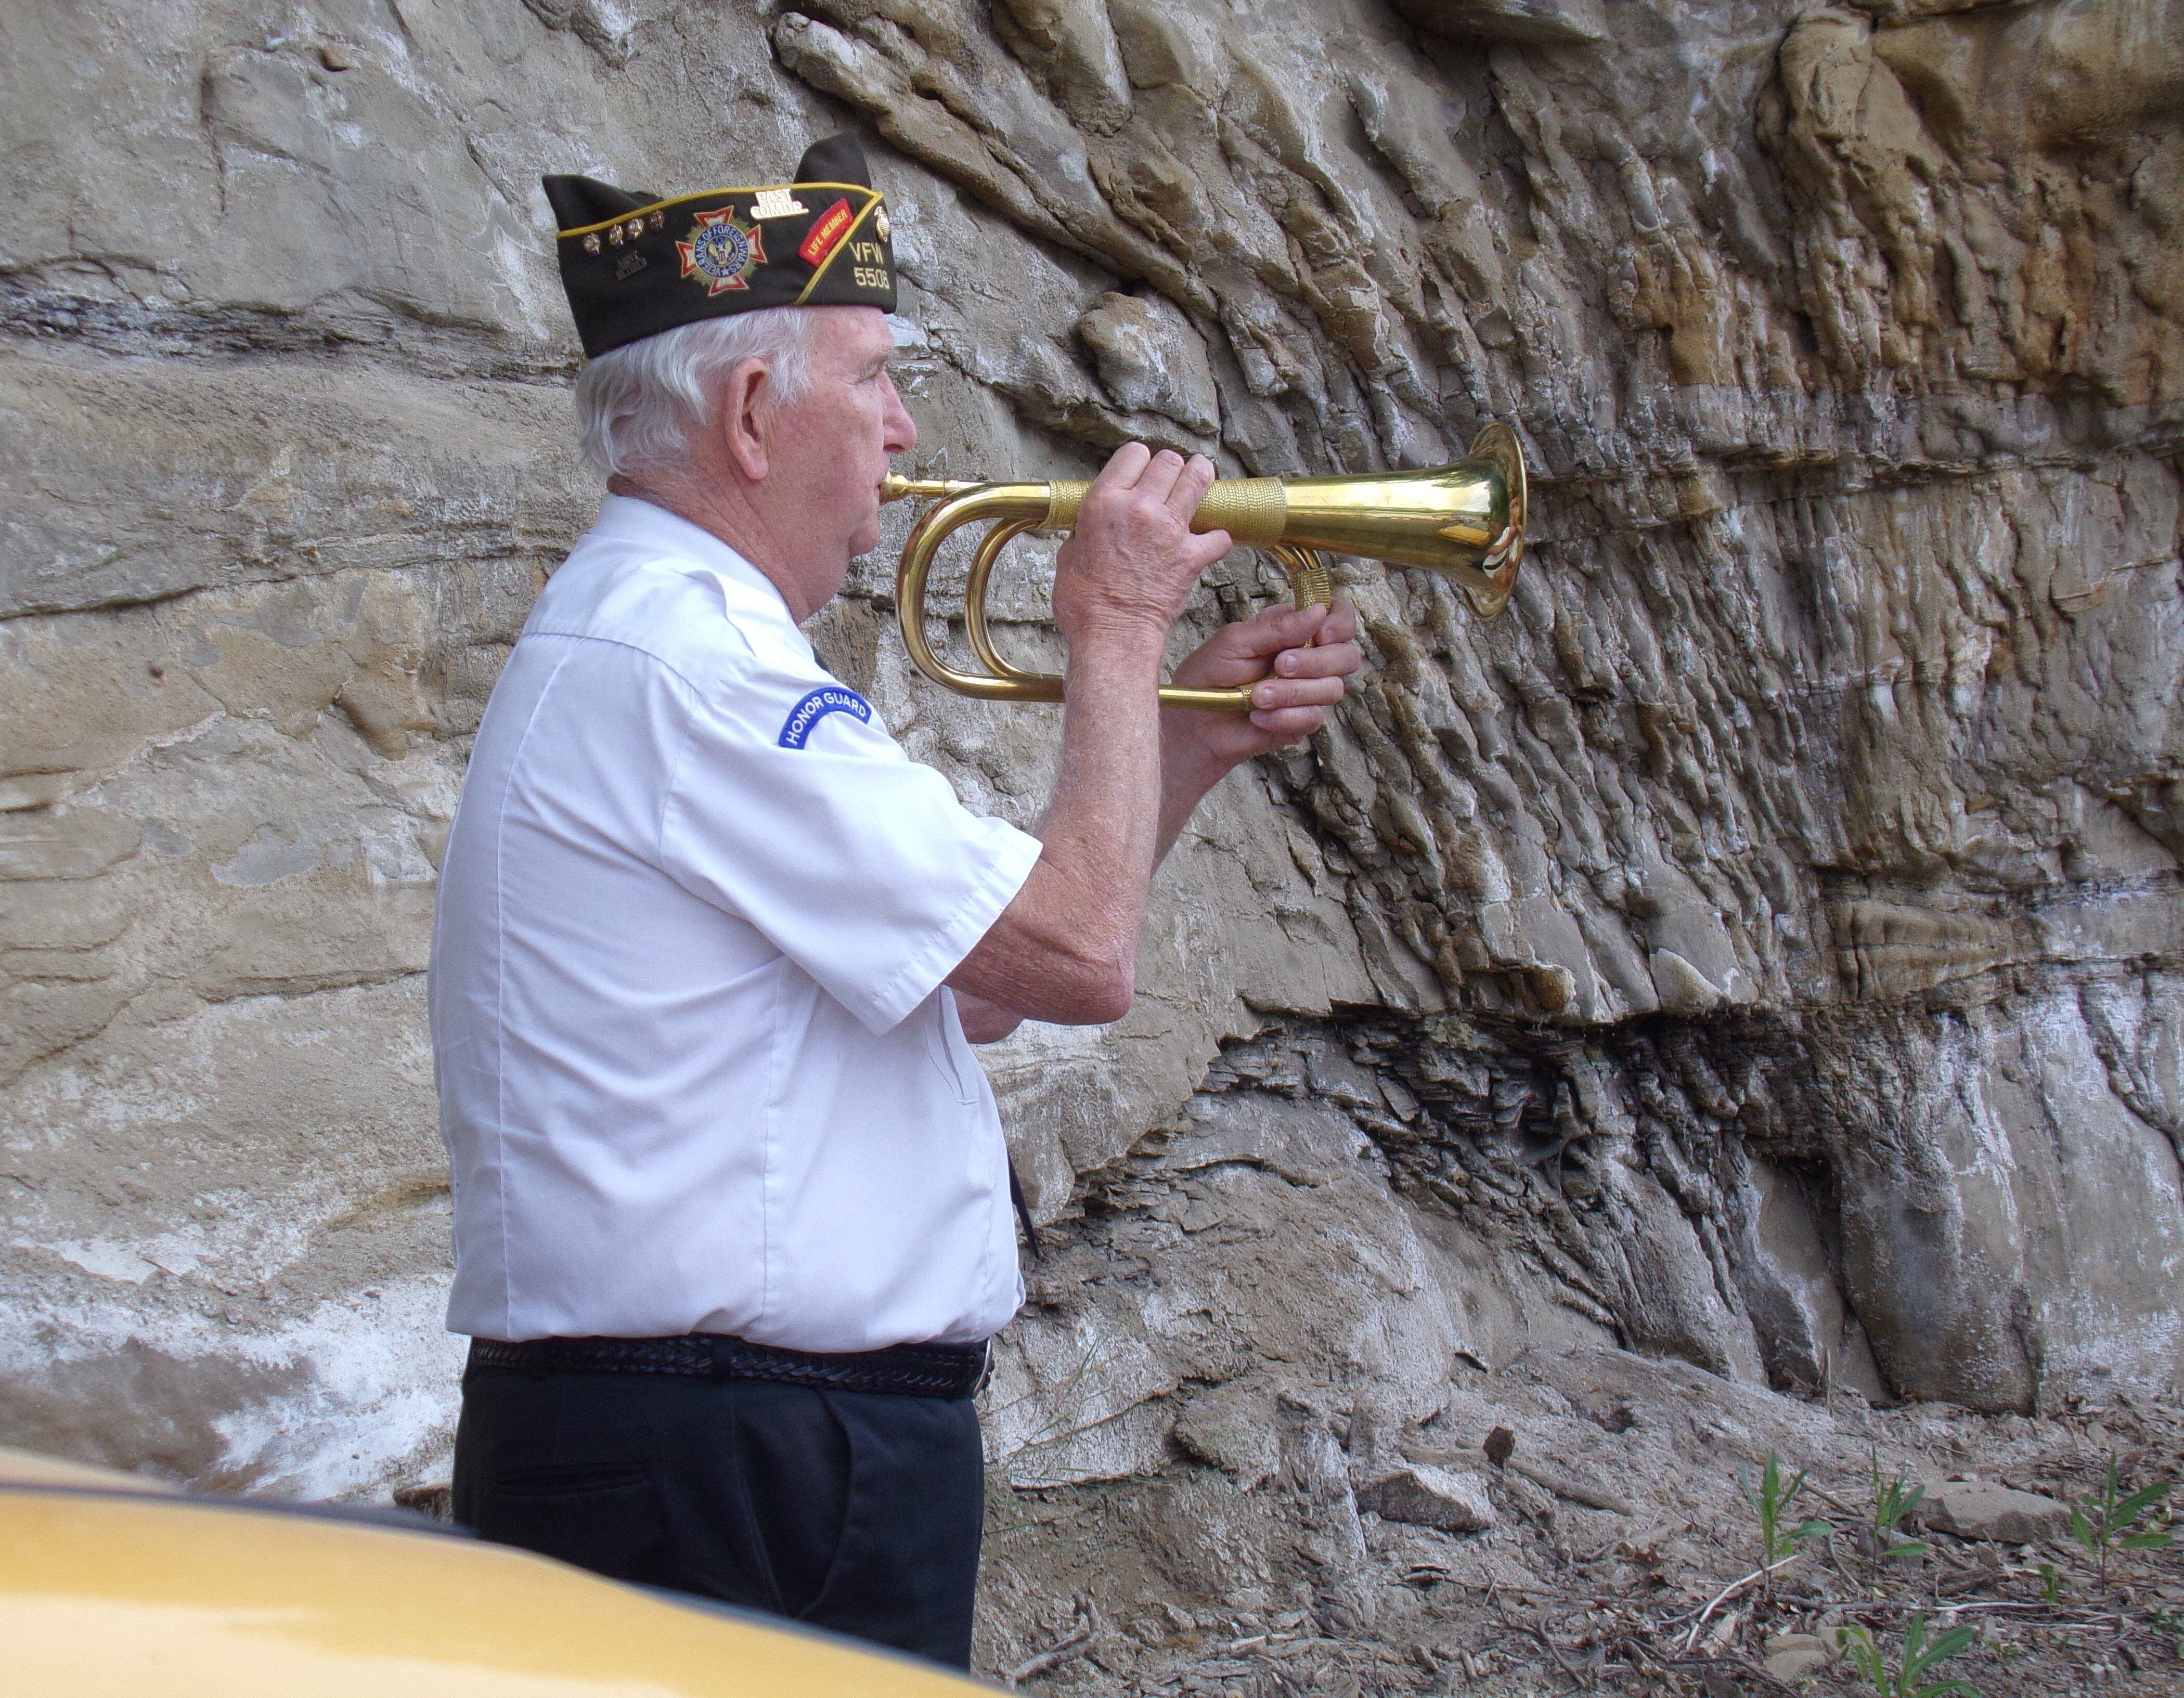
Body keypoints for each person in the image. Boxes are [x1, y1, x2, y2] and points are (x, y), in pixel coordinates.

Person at [429, 133, 1363, 1669]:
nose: (904, 426)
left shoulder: (680, 645)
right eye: (870, 378)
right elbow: (1077, 956)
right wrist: (1122, 627)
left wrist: (1186, 741)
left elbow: (982, 983)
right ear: (749, 413)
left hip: (737, 1443)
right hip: (719, 1456)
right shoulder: (691, 665)